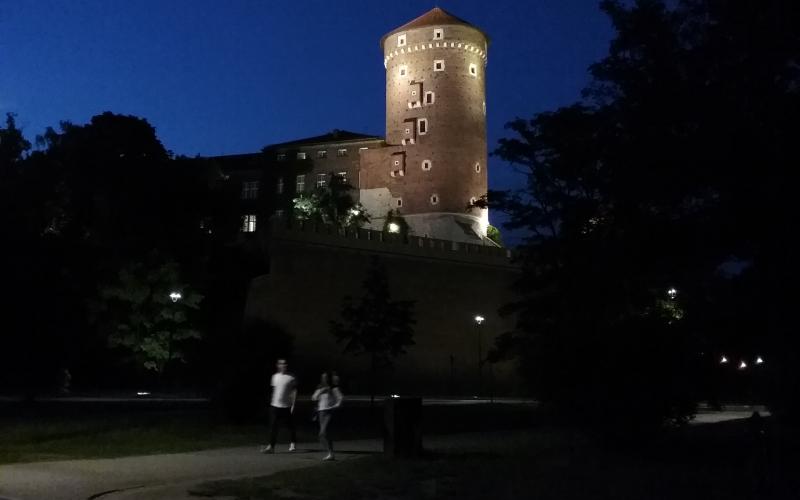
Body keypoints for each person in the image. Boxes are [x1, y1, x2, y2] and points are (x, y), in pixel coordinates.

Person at [261, 358, 297, 454]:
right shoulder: (274, 377)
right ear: (278, 365)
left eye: (285, 364)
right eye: (282, 364)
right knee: (273, 426)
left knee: (290, 426)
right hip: (275, 405)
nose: (284, 365)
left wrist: (293, 404)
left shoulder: (291, 377)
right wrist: (271, 402)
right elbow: (274, 390)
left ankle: (293, 442)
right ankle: (271, 447)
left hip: (286, 406)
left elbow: (294, 391)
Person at [311, 371, 343, 461]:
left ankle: (330, 454)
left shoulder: (333, 388)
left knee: (322, 433)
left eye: (326, 377)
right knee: (323, 436)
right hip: (321, 412)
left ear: (329, 379)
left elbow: (340, 398)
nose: (324, 379)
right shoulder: (319, 387)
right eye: (323, 377)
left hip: (329, 412)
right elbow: (313, 398)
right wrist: (321, 391)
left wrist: (335, 406)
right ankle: (330, 453)